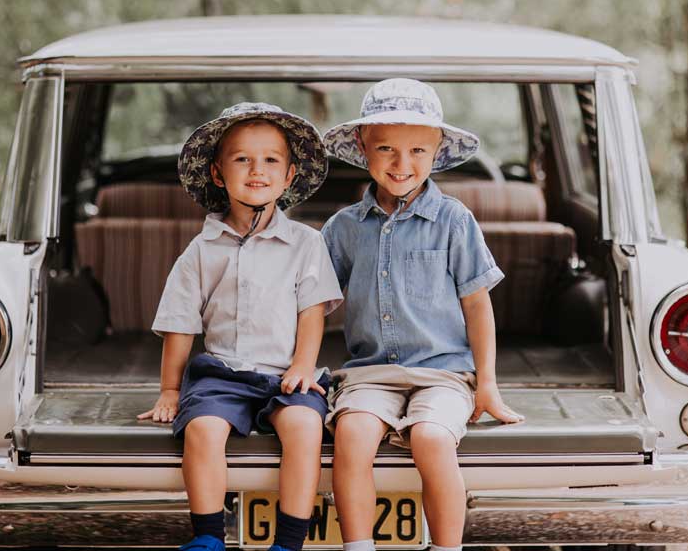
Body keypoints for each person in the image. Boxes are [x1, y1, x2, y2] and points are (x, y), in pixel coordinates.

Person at [320, 79, 525, 551]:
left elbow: (477, 304)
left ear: (436, 152)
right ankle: (358, 546)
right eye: (386, 149)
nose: (401, 163)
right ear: (362, 148)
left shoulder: (455, 221)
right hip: (370, 373)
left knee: (432, 439)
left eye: (417, 150)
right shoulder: (344, 227)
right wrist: (295, 363)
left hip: (443, 374)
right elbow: (314, 303)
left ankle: (447, 547)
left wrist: (487, 382)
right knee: (351, 436)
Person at [138, 102, 343, 551]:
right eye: (242, 159)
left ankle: (288, 541)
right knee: (203, 431)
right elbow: (180, 324)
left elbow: (312, 312)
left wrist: (304, 366)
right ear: (217, 174)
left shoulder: (306, 243)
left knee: (306, 429)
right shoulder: (201, 249)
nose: (257, 170)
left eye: (271, 159)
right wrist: (170, 390)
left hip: (285, 374)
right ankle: (208, 537)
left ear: (289, 176)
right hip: (223, 374)